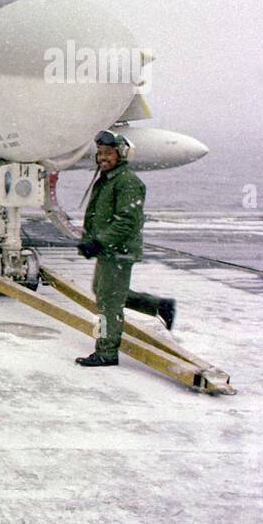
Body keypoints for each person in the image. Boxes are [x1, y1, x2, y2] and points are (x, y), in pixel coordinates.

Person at [75, 130, 177, 367]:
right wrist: (91, 240)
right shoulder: (110, 179)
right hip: (109, 250)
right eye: (100, 153)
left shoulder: (127, 182)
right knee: (102, 291)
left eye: (108, 153)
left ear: (121, 155)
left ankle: (106, 352)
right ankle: (159, 306)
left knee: (109, 302)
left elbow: (127, 221)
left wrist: (100, 241)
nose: (102, 158)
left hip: (118, 250)